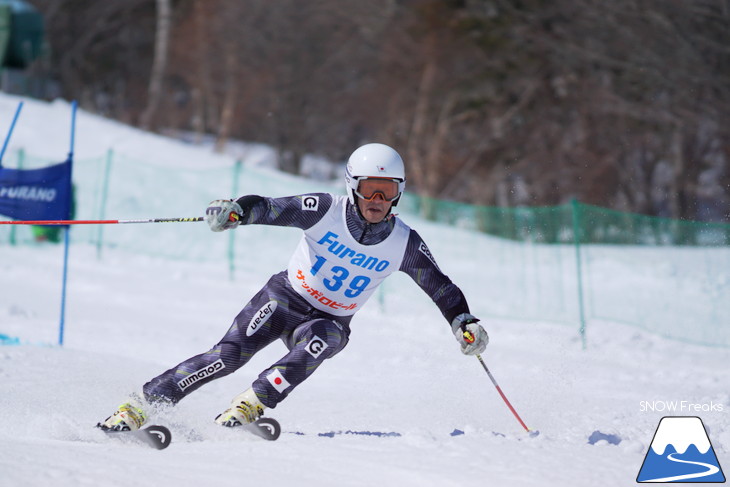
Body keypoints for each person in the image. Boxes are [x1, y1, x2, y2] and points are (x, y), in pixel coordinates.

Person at [98, 143, 488, 431]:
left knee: (321, 344)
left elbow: (442, 289)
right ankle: (139, 406)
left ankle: (250, 405)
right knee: (226, 356)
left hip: (327, 320)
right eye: (370, 188)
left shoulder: (404, 242)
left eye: (387, 190)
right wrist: (236, 210)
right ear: (353, 186)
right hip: (284, 298)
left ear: (399, 192)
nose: (378, 199)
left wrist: (463, 322)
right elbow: (268, 207)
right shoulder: (324, 209)